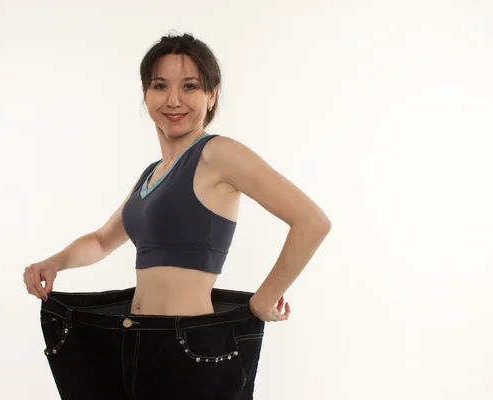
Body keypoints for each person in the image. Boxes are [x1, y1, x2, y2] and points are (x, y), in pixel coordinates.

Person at [23, 32, 331, 400]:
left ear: (211, 95)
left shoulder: (218, 154)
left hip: (188, 348)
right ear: (145, 94)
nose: (173, 100)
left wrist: (265, 299)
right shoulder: (152, 174)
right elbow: (104, 240)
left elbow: (312, 221)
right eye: (160, 85)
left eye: (189, 86)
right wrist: (54, 262)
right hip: (131, 339)